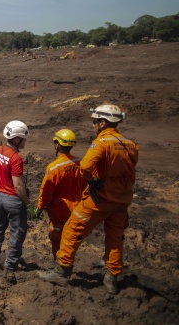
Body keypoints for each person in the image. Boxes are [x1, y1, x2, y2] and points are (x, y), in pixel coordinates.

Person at [38, 104, 139, 294]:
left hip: (101, 198)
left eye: (95, 122)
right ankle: (111, 276)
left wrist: (93, 181)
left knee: (71, 228)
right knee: (115, 237)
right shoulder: (130, 145)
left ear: (103, 123)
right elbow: (131, 173)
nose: (93, 126)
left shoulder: (102, 143)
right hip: (122, 200)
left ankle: (62, 270)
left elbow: (85, 167)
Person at [0, 120, 31, 272]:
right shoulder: (16, 158)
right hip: (13, 201)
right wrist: (28, 204)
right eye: (24, 138)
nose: (25, 141)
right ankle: (10, 267)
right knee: (17, 233)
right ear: (17, 139)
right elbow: (18, 185)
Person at [36, 129, 86, 258]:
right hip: (77, 209)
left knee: (57, 240)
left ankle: (60, 267)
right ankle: (68, 263)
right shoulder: (81, 163)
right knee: (70, 239)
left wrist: (40, 208)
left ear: (57, 145)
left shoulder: (54, 168)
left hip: (59, 211)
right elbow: (85, 185)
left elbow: (46, 192)